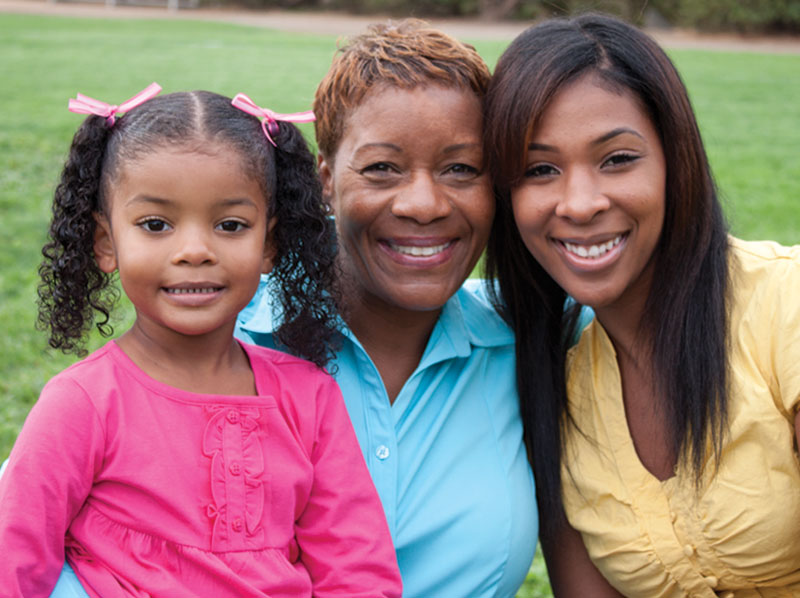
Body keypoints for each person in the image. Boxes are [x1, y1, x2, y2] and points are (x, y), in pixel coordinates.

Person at [0, 84, 402, 597]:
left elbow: (357, 570)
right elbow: (14, 564)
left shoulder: (310, 397)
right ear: (107, 242)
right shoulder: (82, 404)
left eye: (230, 225)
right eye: (156, 224)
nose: (194, 250)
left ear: (269, 244)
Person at [484, 12, 800, 598]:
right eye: (540, 170)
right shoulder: (553, 382)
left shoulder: (786, 308)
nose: (579, 203)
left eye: (617, 159)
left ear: (674, 162)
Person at [237, 19, 538, 598]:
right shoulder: (225, 338)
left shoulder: (532, 340)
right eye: (382, 168)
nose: (423, 204)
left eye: (460, 169)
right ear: (325, 179)